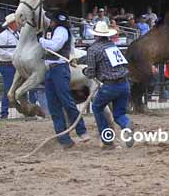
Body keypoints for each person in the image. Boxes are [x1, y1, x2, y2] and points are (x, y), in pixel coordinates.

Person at [39, 11, 90, 148]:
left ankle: (81, 130)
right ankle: (64, 139)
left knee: (66, 101)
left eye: (52, 20)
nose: (51, 22)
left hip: (59, 69)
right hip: (51, 70)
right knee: (54, 105)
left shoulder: (61, 30)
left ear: (55, 21)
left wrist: (41, 40)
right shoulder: (53, 30)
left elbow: (55, 46)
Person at [82, 21, 134, 149]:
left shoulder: (93, 49)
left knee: (97, 107)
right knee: (119, 114)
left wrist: (83, 70)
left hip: (110, 86)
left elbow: (90, 73)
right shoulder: (112, 46)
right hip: (124, 84)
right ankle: (126, 124)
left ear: (96, 35)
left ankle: (107, 140)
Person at [0, 14, 19, 119]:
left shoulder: (18, 33)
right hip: (7, 64)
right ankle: (4, 113)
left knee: (17, 87)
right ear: (12, 24)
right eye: (17, 22)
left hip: (15, 64)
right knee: (8, 88)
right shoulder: (3, 35)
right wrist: (13, 55)